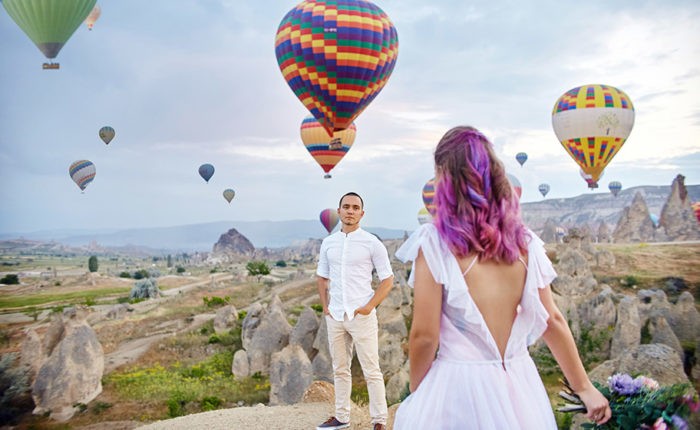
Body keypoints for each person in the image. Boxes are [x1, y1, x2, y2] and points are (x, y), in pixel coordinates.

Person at [393, 126, 611, 429]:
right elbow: (552, 320)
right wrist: (584, 387)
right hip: (519, 386)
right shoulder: (525, 243)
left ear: (445, 178)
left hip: (459, 385)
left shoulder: (435, 242)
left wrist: (420, 392)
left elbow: (424, 336)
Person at [316, 192, 395, 430]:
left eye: (355, 207)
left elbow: (388, 279)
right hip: (336, 315)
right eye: (346, 207)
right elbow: (322, 277)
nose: (350, 211)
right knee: (340, 369)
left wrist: (370, 306)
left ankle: (379, 421)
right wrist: (325, 306)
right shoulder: (328, 243)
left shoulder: (372, 242)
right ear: (338, 211)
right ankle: (341, 417)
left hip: (361, 315)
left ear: (362, 213)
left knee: (372, 371)